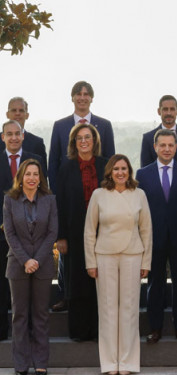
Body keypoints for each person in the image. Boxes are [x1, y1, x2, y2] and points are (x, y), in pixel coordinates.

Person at [84, 155, 152, 375]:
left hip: (133, 255)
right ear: (109, 172)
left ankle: (129, 362)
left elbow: (146, 231)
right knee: (107, 309)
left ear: (129, 171)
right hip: (105, 255)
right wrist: (90, 262)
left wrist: (146, 262)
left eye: (124, 168)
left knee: (130, 309)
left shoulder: (139, 194)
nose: (120, 172)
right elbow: (89, 231)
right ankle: (110, 362)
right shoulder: (99, 195)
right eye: (116, 169)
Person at [136, 129, 177, 344]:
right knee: (155, 284)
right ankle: (155, 327)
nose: (167, 149)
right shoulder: (142, 174)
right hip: (153, 238)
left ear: (176, 147)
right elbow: (139, 210)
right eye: (163, 145)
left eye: (171, 145)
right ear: (155, 147)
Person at [3, 159, 57, 375]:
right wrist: (26, 260)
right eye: (28, 174)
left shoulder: (50, 200)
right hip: (17, 265)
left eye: (36, 174)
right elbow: (10, 234)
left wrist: (38, 259)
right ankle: (21, 363)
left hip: (42, 266)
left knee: (41, 314)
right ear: (20, 177)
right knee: (20, 315)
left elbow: (52, 232)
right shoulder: (10, 200)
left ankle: (41, 361)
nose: (32, 178)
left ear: (40, 178)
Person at [56, 123, 106, 342]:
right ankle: (79, 331)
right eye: (79, 138)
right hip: (74, 233)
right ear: (73, 143)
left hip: (104, 233)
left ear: (94, 141)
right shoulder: (66, 168)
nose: (84, 141)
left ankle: (97, 331)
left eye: (88, 137)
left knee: (100, 282)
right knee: (77, 282)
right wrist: (61, 236)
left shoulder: (106, 166)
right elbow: (60, 204)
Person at [0, 120, 45, 341]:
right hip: (2, 232)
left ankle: (30, 336)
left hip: (30, 235)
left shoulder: (34, 160)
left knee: (31, 293)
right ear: (3, 137)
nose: (14, 138)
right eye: (9, 134)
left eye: (18, 133)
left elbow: (43, 193)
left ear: (23, 135)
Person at [48, 81, 115, 192]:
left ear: (91, 98)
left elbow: (110, 160)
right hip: (67, 189)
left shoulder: (105, 125)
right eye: (78, 94)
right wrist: (55, 192)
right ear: (72, 98)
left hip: (98, 188)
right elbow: (53, 162)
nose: (82, 98)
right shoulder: (60, 126)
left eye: (86, 94)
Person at [140, 95, 177, 169]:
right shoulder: (148, 138)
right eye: (165, 109)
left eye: (172, 109)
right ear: (159, 111)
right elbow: (145, 171)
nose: (169, 113)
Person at [1, 97, 47, 168]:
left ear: (27, 115)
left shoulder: (37, 143)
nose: (17, 113)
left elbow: (42, 175)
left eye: (21, 110)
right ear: (7, 114)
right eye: (14, 110)